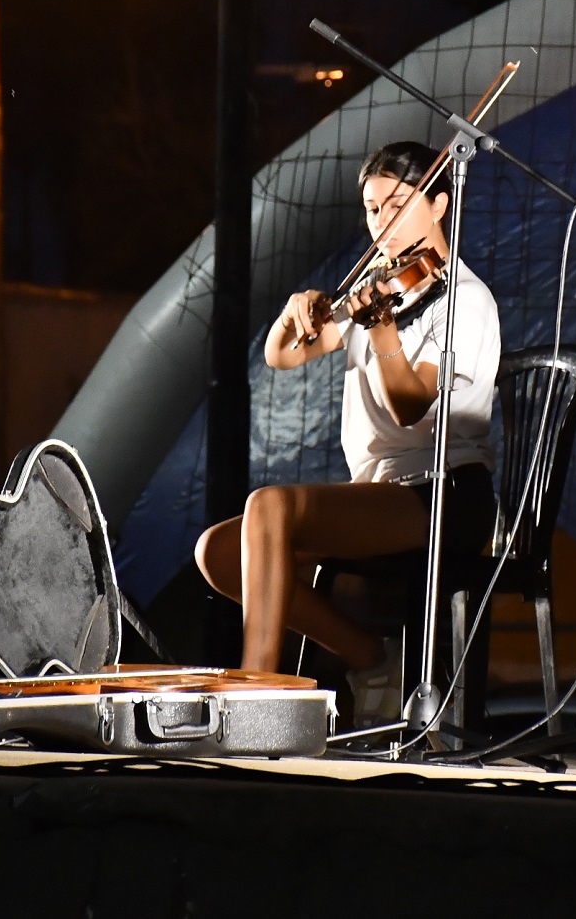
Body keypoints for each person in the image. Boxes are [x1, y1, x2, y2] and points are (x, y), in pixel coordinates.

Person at [196, 142, 501, 722]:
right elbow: (283, 355)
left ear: (439, 204)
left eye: (397, 204)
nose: (381, 221)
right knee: (217, 551)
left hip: (444, 492)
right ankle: (372, 658)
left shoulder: (465, 300)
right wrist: (296, 311)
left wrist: (382, 331)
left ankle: (254, 699)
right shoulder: (381, 285)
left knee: (269, 505)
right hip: (381, 491)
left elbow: (411, 406)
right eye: (371, 209)